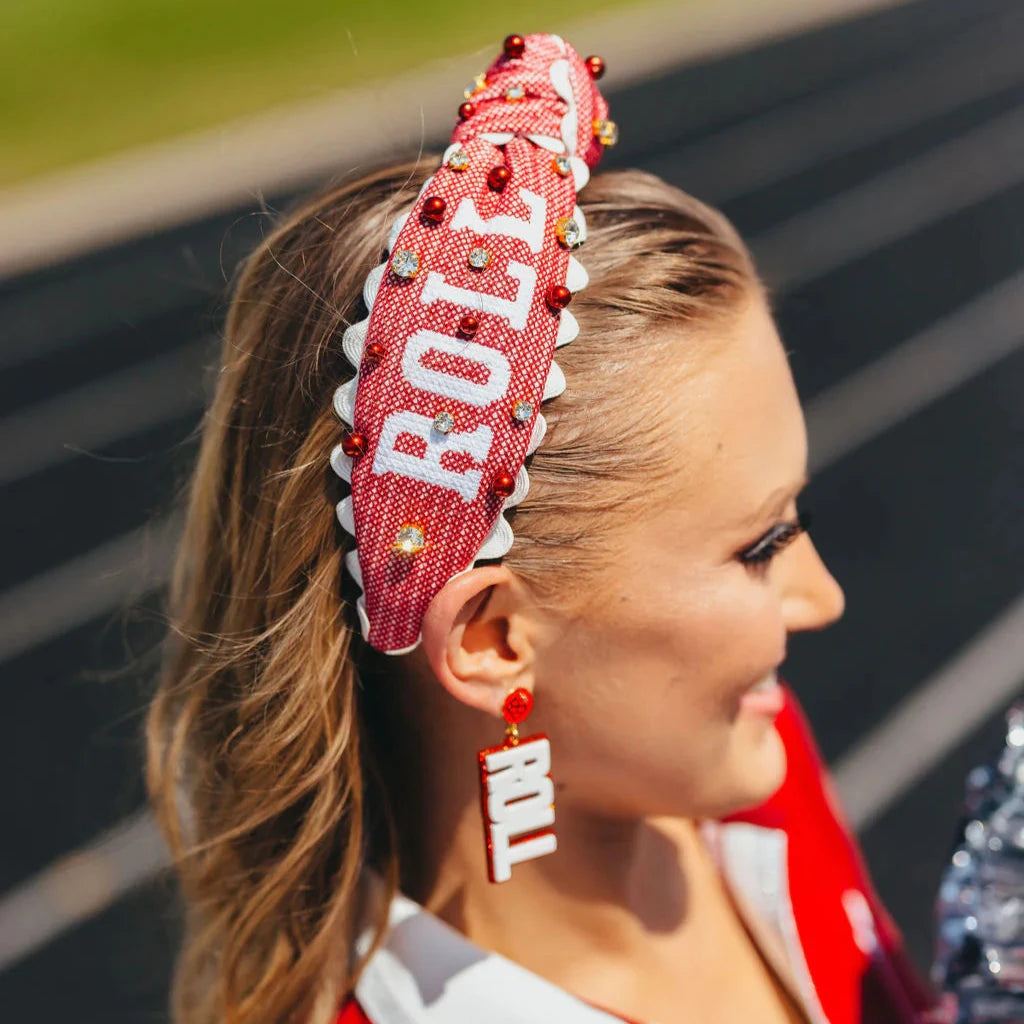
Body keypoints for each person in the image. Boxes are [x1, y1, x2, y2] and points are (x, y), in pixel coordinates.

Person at [146, 32, 946, 1024]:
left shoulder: (753, 774)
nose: (821, 596)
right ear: (492, 639)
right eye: (759, 546)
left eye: (798, 518)